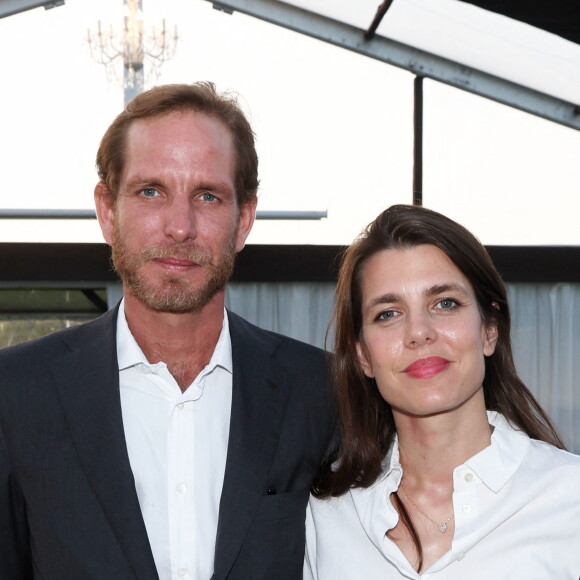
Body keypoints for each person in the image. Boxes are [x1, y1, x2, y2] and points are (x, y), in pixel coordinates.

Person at [0, 82, 333, 580]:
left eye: (208, 195)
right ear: (108, 211)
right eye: (150, 191)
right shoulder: (16, 393)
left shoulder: (322, 392)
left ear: (243, 219)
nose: (181, 226)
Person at [304, 204, 580, 579]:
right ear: (364, 356)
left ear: (489, 330)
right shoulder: (325, 514)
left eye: (445, 303)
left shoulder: (569, 500)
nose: (419, 331)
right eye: (388, 313)